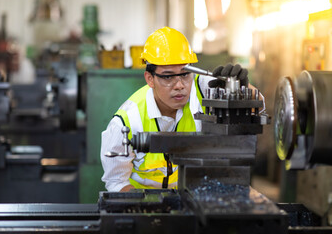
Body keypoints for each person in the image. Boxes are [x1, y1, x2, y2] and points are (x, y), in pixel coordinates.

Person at [100, 26, 257, 192]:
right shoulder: (127, 122)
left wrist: (239, 88)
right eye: (168, 77)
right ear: (150, 79)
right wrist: (148, 204)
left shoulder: (204, 87)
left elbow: (257, 106)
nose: (180, 85)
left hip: (194, 196)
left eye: (185, 74)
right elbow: (116, 182)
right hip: (145, 204)